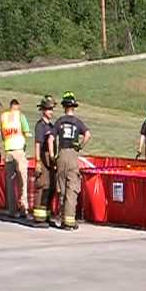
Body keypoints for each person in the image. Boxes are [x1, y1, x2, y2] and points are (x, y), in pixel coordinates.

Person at [52, 91, 91, 230]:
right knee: (72, 188)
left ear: (64, 107)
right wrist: (80, 145)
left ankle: (63, 220)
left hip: (61, 154)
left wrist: (52, 155)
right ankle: (70, 221)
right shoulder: (77, 122)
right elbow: (88, 134)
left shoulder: (59, 121)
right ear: (73, 107)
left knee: (61, 188)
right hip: (73, 154)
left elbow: (51, 138)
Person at [0, 99, 31, 218]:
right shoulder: (20, 116)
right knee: (22, 180)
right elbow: (27, 133)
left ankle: (12, 210)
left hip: (8, 152)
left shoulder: (3, 117)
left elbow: (3, 136)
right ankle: (23, 208)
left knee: (10, 182)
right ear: (17, 107)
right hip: (19, 151)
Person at [33, 95, 57, 224]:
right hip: (42, 158)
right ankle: (39, 216)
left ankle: (46, 215)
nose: (51, 112)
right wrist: (37, 162)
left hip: (50, 160)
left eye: (52, 109)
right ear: (43, 110)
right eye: (48, 109)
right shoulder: (40, 126)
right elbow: (37, 144)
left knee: (50, 187)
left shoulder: (51, 126)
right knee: (42, 186)